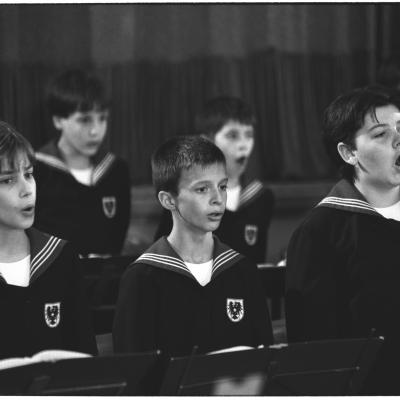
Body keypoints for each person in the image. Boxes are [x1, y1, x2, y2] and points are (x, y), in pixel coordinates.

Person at [285, 85, 400, 394]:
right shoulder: (320, 233)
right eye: (380, 135)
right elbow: (313, 354)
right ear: (349, 153)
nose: (398, 140)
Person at [113, 136, 273, 357]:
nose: (218, 199)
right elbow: (134, 375)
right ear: (168, 200)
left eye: (222, 186)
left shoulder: (242, 270)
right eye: (202, 189)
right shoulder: (142, 278)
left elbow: (265, 360)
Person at [0, 121, 97, 359]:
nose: (27, 189)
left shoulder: (59, 256)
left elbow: (87, 361)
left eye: (29, 174)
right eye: (8, 180)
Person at [155, 96, 275, 263]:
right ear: (207, 142)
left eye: (249, 135)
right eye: (233, 136)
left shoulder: (261, 197)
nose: (244, 144)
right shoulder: (186, 195)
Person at [34, 69, 131, 257]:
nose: (95, 131)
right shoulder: (36, 170)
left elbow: (117, 236)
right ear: (58, 120)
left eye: (102, 118)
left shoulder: (116, 170)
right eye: (85, 120)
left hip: (104, 280)